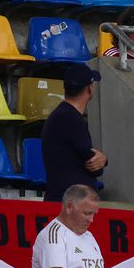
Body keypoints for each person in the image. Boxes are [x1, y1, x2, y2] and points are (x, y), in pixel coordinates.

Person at [31, 184, 121, 268]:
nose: (91, 219)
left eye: (94, 214)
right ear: (69, 207)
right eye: (87, 213)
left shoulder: (89, 236)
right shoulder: (53, 234)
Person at [41, 62, 107, 203]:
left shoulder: (62, 115)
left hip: (66, 201)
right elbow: (93, 165)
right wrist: (103, 159)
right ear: (89, 88)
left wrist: (103, 159)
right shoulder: (70, 117)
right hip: (69, 205)